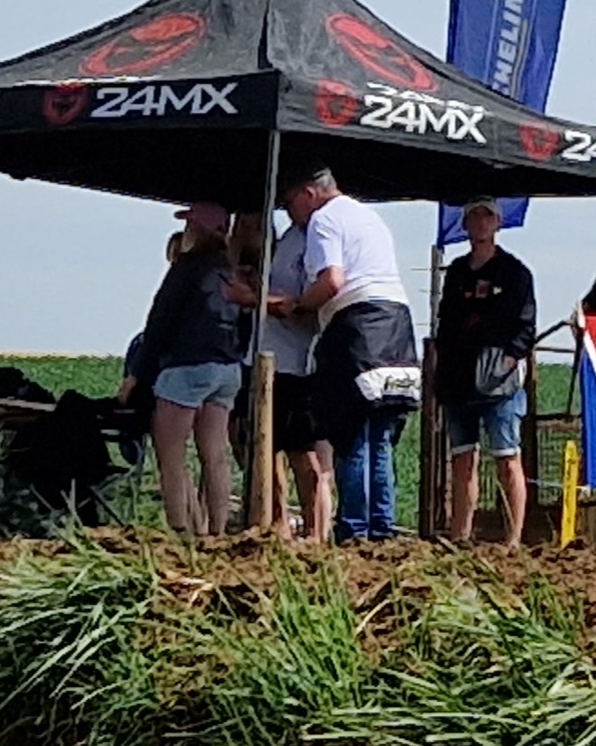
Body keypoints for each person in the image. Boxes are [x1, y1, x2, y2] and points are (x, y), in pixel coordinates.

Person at [271, 156, 420, 543]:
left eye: (290, 204)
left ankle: (353, 529)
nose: (291, 215)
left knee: (350, 432)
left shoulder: (323, 220)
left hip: (356, 328)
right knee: (380, 437)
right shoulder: (368, 217)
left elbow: (332, 281)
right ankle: (381, 529)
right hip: (396, 325)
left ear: (308, 194)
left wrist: (299, 304)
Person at [116, 203, 246, 536]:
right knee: (215, 455)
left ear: (198, 230)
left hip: (188, 366)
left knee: (171, 454)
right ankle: (217, 531)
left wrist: (137, 373)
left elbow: (160, 322)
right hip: (228, 367)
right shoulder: (230, 271)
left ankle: (181, 529)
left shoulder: (187, 268)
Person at [436, 198, 537, 547]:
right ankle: (460, 537)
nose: (480, 222)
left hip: (499, 381)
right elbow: (445, 321)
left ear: (498, 223)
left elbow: (526, 325)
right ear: (464, 224)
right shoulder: (456, 272)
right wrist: (440, 365)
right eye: (474, 216)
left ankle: (513, 540)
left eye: (487, 216)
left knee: (507, 458)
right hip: (459, 377)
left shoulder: (515, 272)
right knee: (462, 459)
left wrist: (508, 360)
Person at [257, 200, 334, 543]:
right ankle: (279, 524)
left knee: (303, 451)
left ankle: (316, 531)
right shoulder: (288, 237)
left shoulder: (317, 241)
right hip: (267, 359)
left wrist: (263, 301)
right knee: (266, 448)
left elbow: (309, 306)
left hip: (297, 363)